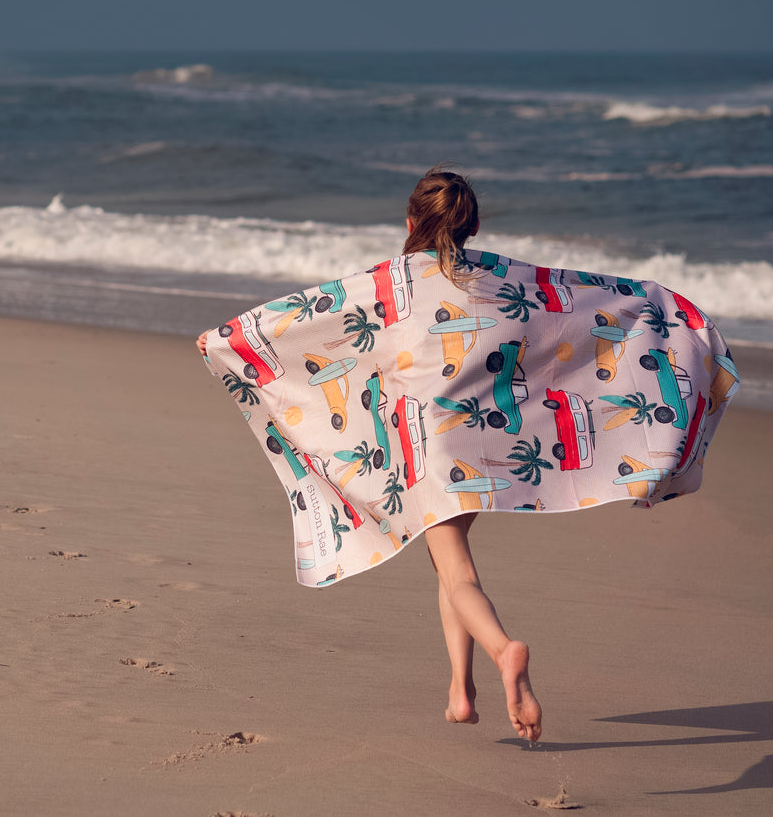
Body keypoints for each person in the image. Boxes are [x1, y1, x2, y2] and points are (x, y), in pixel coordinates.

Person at [196, 168, 542, 742]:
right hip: (481, 441)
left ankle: (505, 651)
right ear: (474, 225)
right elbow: (566, 325)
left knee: (457, 571)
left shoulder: (388, 282)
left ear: (409, 224)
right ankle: (461, 692)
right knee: (447, 559)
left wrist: (228, 340)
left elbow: (309, 317)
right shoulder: (500, 283)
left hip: (427, 447)